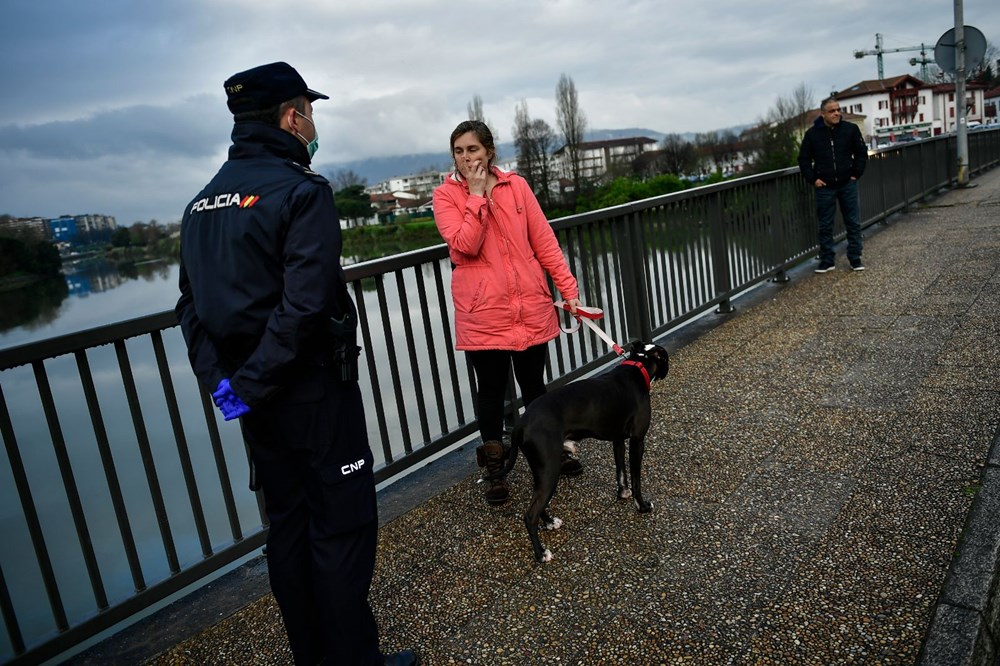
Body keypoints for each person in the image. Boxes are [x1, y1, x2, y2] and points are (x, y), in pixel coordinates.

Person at [175, 61, 417, 666]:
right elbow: (305, 306)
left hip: (255, 405)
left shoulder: (200, 205)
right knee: (340, 528)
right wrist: (255, 384)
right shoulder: (301, 191)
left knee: (286, 529)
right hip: (313, 397)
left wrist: (232, 392)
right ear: (291, 117)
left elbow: (189, 309)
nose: (313, 121)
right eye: (310, 110)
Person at [432, 120, 583, 506]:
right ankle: (496, 471)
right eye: (459, 152)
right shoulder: (446, 197)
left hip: (529, 303)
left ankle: (546, 452)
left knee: (534, 385)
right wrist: (478, 197)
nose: (467, 159)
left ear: (489, 151)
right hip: (483, 310)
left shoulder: (517, 186)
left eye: (473, 150)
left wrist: (568, 291)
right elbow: (465, 245)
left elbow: (544, 241)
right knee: (492, 390)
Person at [797, 97, 869, 272]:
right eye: (832, 111)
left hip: (847, 183)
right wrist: (813, 179)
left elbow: (861, 153)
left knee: (852, 222)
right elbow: (803, 159)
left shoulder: (850, 130)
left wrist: (855, 174)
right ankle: (827, 261)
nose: (837, 113)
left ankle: (855, 259)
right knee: (825, 225)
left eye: (838, 109)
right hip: (825, 186)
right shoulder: (812, 135)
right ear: (823, 114)